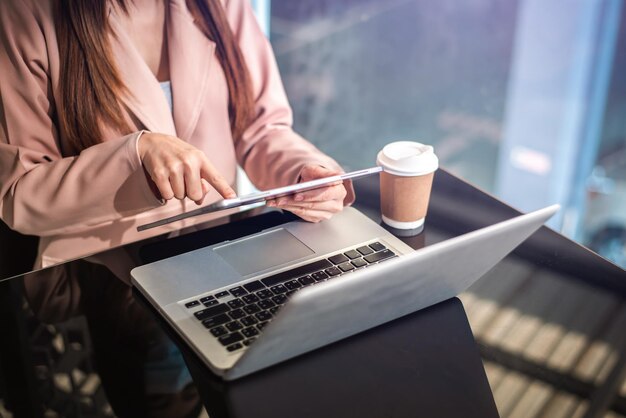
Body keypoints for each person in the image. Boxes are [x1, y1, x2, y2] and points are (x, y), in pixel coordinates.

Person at [0, 0, 353, 269]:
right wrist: (136, 156)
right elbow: (21, 195)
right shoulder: (26, 12)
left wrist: (303, 173)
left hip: (219, 251)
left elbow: (261, 128)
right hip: (106, 274)